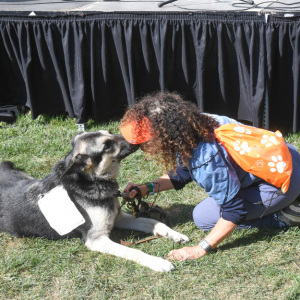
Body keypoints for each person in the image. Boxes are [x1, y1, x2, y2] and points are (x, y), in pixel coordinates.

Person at [119, 91, 300, 262]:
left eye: (143, 144)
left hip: (280, 182)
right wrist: (145, 189)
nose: (143, 149)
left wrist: (200, 248)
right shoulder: (196, 124)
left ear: (161, 137)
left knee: (204, 217)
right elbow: (182, 173)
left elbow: (234, 210)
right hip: (285, 157)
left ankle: (287, 216)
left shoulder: (204, 159)